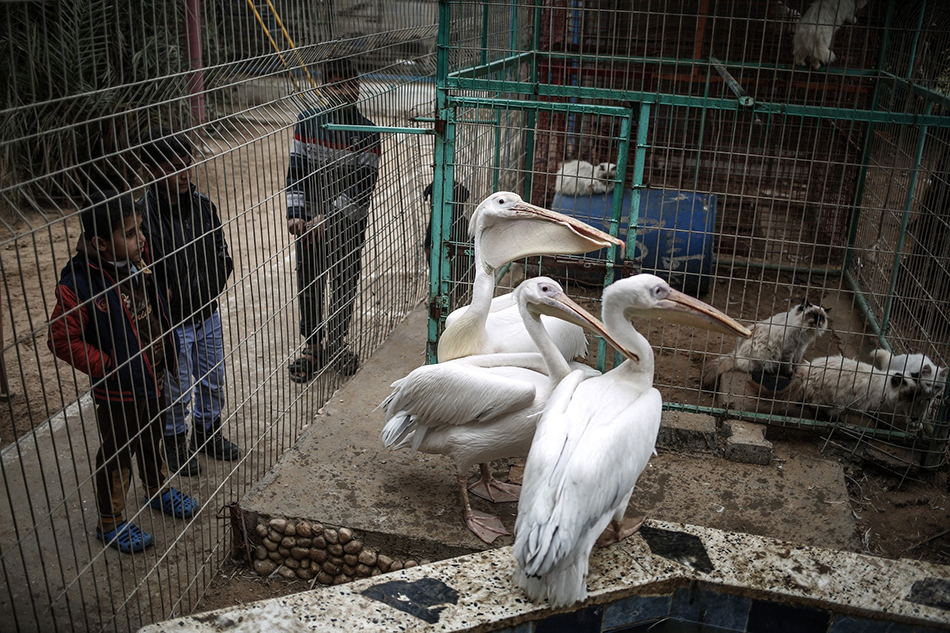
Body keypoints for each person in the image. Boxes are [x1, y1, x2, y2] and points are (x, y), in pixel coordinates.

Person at [47, 191, 197, 553]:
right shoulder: (79, 284)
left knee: (152, 434)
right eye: (130, 233)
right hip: (119, 388)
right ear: (99, 243)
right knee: (118, 449)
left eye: (139, 229)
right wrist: (109, 366)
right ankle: (110, 520)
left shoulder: (136, 260)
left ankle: (156, 488)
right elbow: (61, 339)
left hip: (152, 374)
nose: (141, 239)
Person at [139, 126, 239, 476]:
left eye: (187, 164)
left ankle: (207, 432)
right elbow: (141, 273)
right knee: (176, 387)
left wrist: (211, 286)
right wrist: (161, 298)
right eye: (173, 167)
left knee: (213, 377)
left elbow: (220, 252)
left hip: (206, 312)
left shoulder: (202, 207)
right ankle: (174, 442)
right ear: (150, 172)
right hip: (172, 322)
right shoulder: (143, 218)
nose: (184, 174)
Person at [285, 59, 381, 381]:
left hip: (347, 224)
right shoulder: (307, 122)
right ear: (325, 88)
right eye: (337, 84)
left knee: (344, 281)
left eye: (350, 83)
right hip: (310, 223)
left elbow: (364, 184)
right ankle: (313, 346)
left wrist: (331, 218)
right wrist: (298, 214)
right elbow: (296, 171)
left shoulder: (368, 132)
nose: (345, 91)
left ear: (359, 86)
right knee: (310, 282)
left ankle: (338, 343)